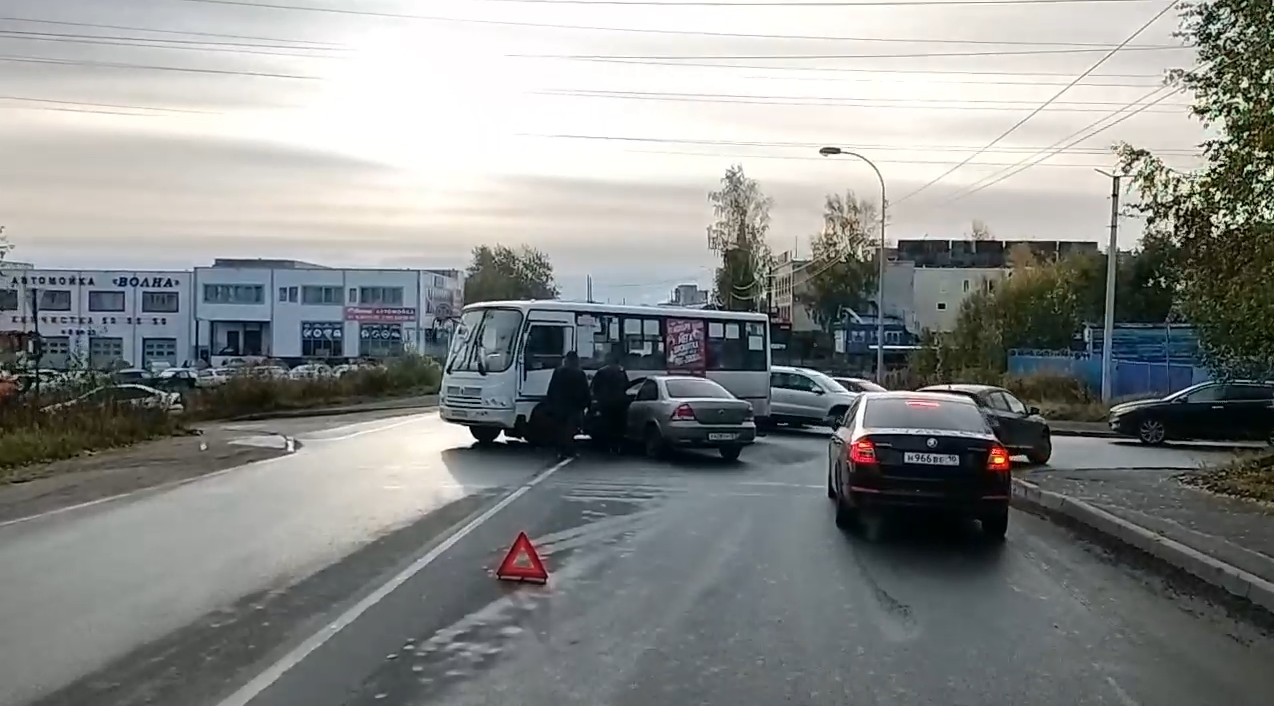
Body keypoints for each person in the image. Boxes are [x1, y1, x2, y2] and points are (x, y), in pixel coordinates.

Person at [545, 351, 590, 459]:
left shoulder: (558, 371)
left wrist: (550, 403)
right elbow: (585, 390)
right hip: (573, 406)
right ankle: (569, 450)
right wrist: (586, 404)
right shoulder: (579, 373)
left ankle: (560, 450)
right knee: (570, 430)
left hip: (559, 405)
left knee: (560, 429)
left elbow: (551, 389)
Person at [590, 349, 630, 453]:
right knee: (619, 424)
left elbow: (595, 387)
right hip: (620, 402)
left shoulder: (602, 371)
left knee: (607, 423)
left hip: (605, 401)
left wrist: (596, 398)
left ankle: (607, 445)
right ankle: (618, 445)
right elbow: (626, 385)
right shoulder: (621, 371)